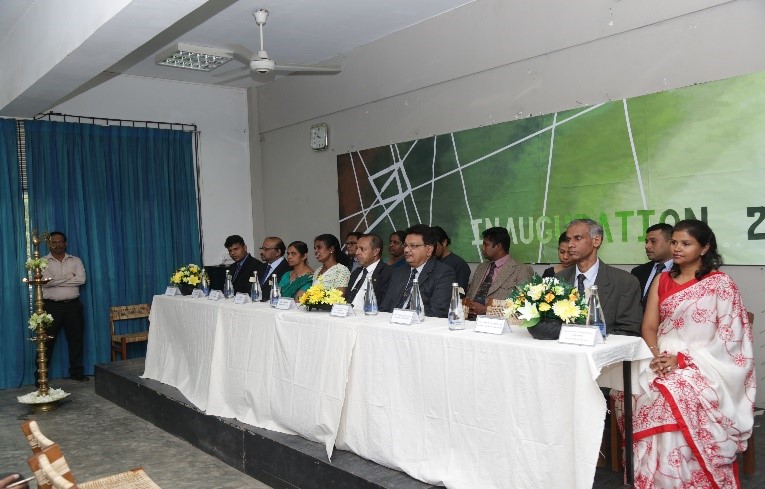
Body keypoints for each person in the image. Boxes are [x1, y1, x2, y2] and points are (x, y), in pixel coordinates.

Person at [617, 219, 755, 488]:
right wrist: (657, 355)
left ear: (704, 248)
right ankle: (653, 476)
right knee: (629, 390)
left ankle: (684, 478)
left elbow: (730, 339)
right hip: (659, 356)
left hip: (707, 364)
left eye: (686, 243)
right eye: (675, 242)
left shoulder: (720, 284)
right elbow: (649, 326)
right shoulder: (663, 279)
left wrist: (683, 361)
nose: (677, 248)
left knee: (673, 393)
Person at [556, 219, 642, 335]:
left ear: (596, 241)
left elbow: (628, 330)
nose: (570, 245)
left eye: (578, 238)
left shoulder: (624, 282)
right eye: (569, 239)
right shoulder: (558, 279)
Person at [380, 224, 455, 317]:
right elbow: (385, 306)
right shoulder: (399, 271)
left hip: (419, 326)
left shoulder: (443, 273)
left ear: (429, 249)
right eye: (406, 245)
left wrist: (404, 316)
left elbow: (438, 312)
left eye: (413, 246)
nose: (407, 250)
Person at [41, 231, 87, 381]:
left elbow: (81, 280)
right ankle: (41, 376)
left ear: (65, 243)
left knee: (76, 340)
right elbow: (47, 282)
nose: (58, 245)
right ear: (49, 244)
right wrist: (69, 276)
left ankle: (77, 373)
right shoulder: (42, 262)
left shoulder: (76, 260)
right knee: (46, 341)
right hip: (51, 307)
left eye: (60, 242)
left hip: (73, 306)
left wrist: (56, 281)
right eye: (54, 242)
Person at [464, 227, 533, 317]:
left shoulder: (521, 270)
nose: (482, 248)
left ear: (498, 247)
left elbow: (523, 307)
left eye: (486, 245)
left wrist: (487, 310)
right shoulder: (481, 268)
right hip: (469, 321)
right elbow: (469, 296)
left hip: (498, 325)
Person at [630, 223, 674, 306]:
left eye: (653, 241)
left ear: (670, 243)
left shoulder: (682, 271)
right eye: (646, 242)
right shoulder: (638, 272)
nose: (647, 246)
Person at [345, 234, 392, 309]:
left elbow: (385, 305)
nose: (357, 252)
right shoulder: (356, 272)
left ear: (375, 251)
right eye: (357, 248)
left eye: (362, 249)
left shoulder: (387, 273)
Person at [432, 226, 471, 291]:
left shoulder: (460, 265)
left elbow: (460, 294)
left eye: (434, 246)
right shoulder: (428, 261)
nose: (431, 250)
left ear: (444, 242)